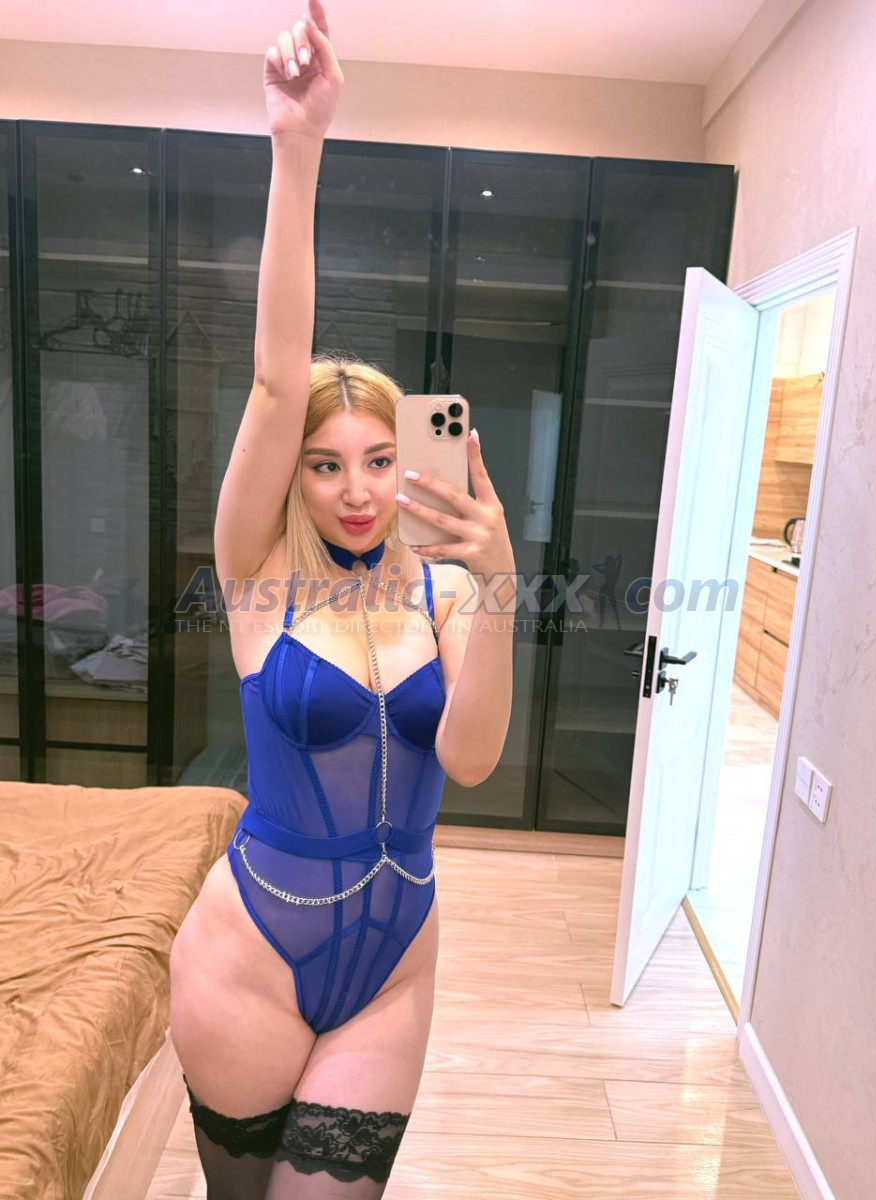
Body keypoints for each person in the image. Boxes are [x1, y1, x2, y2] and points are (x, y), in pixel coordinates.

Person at [167, 5, 516, 1197]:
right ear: (295, 477)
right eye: (326, 464)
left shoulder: (448, 590)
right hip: (250, 958)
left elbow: (470, 761)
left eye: (380, 460)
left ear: (411, 463)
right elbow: (278, 379)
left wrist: (501, 586)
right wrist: (297, 144)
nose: (357, 490)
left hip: (394, 965)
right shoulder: (256, 576)